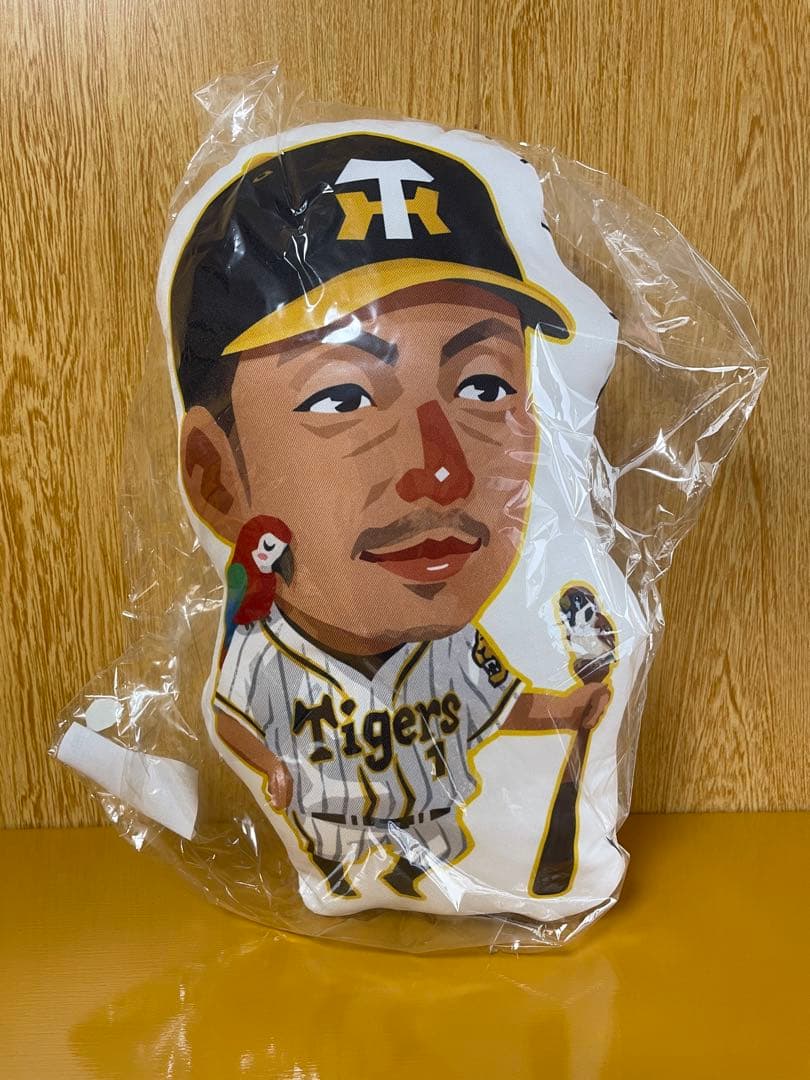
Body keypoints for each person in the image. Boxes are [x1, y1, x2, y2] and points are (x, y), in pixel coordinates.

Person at [168, 132, 615, 899]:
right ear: (217, 479)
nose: (442, 472)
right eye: (342, 398)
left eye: (483, 387)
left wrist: (571, 706)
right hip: (334, 847)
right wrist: (274, 767)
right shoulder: (264, 655)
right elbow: (238, 717)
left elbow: (498, 705)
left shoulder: (457, 648)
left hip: (447, 845)